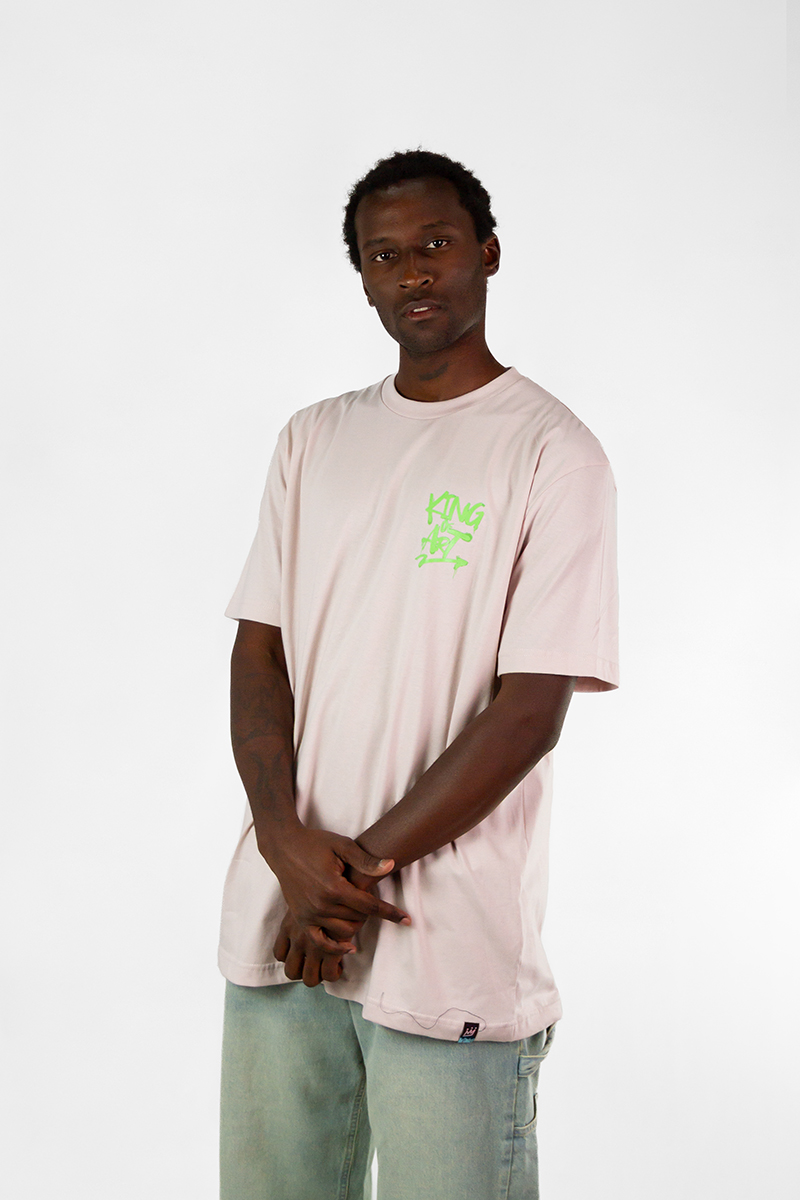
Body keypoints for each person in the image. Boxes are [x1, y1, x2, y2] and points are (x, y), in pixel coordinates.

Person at [218, 148, 619, 1200]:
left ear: (488, 252)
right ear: (361, 277)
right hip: (283, 924)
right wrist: (284, 844)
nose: (413, 272)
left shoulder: (552, 453)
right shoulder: (312, 439)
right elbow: (259, 650)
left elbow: (529, 712)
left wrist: (345, 880)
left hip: (442, 944)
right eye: (384, 255)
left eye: (436, 244)